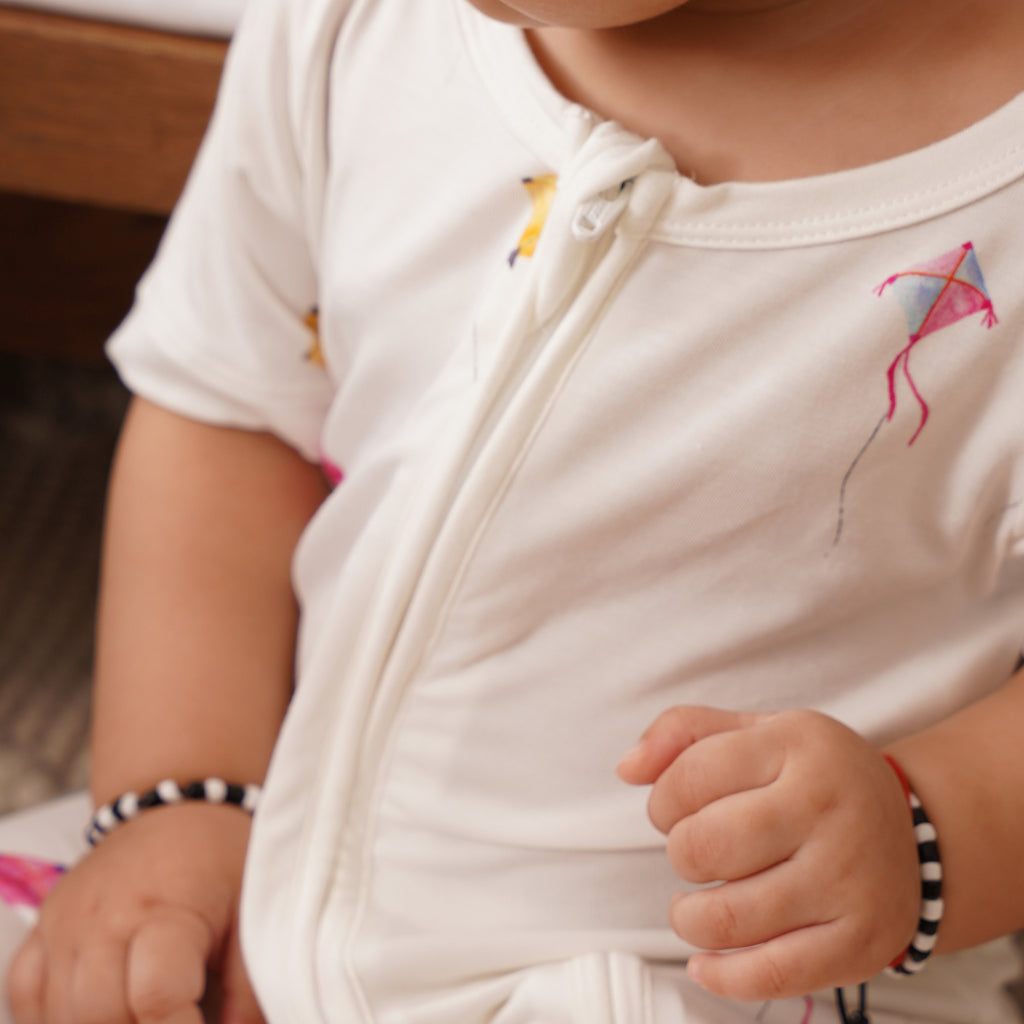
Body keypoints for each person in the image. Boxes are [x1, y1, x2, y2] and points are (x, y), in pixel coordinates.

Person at [5, 0, 1024, 1021]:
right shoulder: (360, 28)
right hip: (283, 876)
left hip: (726, 975)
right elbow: (232, 409)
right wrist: (177, 798)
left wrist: (923, 828)